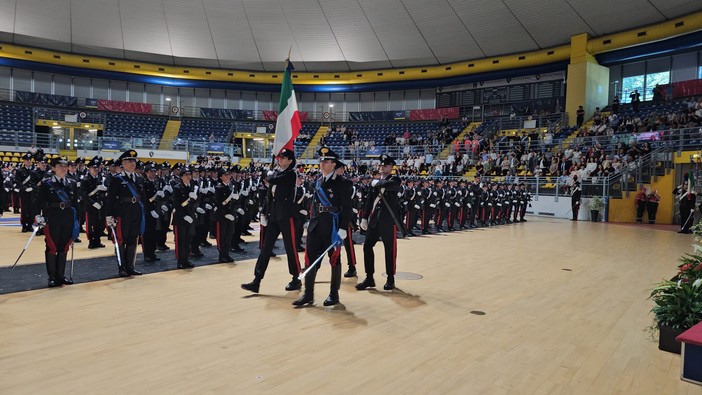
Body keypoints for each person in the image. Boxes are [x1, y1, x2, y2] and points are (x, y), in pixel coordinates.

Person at [293, 147, 352, 307]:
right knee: (310, 260)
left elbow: (347, 208)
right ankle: (308, 294)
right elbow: (313, 204)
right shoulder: (317, 182)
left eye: (326, 161)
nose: (322, 163)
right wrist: (309, 220)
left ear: (333, 164)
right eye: (321, 160)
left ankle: (334, 294)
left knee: (334, 259)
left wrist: (343, 227)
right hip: (315, 226)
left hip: (333, 227)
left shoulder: (343, 183)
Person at [241, 149, 302, 293]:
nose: (280, 160)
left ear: (290, 161)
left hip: (287, 216)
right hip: (274, 215)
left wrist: (268, 174)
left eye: (283, 158)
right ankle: (257, 280)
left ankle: (296, 278)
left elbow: (272, 180)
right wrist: (265, 212)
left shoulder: (291, 174)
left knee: (290, 248)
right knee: (266, 247)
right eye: (279, 158)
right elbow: (270, 196)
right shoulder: (279, 173)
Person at [357, 154, 402, 291]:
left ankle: (390, 278)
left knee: (389, 249)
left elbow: (391, 185)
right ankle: (369, 277)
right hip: (375, 220)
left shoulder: (395, 179)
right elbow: (369, 201)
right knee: (367, 247)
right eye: (381, 165)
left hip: (388, 221)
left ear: (391, 167)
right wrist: (364, 217)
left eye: (386, 165)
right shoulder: (374, 182)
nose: (382, 167)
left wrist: (377, 182)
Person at [34, 157, 80, 287]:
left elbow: (75, 203)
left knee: (64, 246)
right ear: (53, 168)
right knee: (52, 246)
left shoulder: (71, 183)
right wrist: (38, 215)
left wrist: (77, 220)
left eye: (65, 166)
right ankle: (52, 277)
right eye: (60, 166)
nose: (64, 168)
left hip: (68, 218)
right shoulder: (46, 183)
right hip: (52, 218)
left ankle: (61, 275)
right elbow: (38, 201)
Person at [105, 150, 144, 277]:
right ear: (123, 163)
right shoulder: (117, 179)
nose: (132, 163)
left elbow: (141, 198)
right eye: (129, 161)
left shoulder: (139, 179)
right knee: (121, 240)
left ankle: (131, 266)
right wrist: (109, 215)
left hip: (136, 213)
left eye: (134, 161)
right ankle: (122, 267)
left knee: (133, 240)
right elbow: (110, 199)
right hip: (122, 213)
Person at [81, 157, 107, 249]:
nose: (96, 170)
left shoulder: (101, 177)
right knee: (91, 225)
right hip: (91, 206)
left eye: (97, 168)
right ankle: (91, 241)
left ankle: (97, 240)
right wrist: (93, 203)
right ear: (89, 168)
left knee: (100, 224)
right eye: (94, 168)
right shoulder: (86, 179)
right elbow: (84, 195)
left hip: (100, 205)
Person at [214, 167, 237, 263]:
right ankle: (222, 255)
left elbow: (231, 203)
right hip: (222, 216)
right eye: (225, 175)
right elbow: (218, 203)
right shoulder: (219, 188)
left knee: (229, 235)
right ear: (221, 177)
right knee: (222, 236)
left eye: (228, 175)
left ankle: (226, 254)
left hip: (230, 215)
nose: (228, 176)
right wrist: (225, 214)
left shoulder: (230, 186)